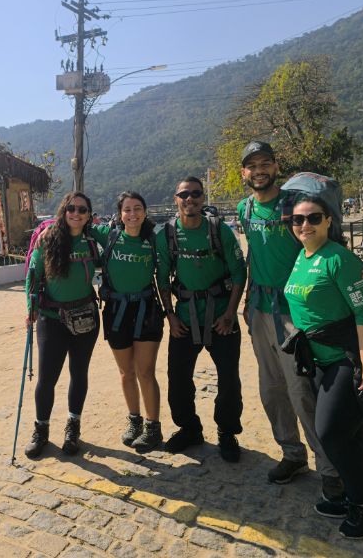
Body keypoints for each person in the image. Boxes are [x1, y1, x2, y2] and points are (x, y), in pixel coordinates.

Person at [237, 141, 363, 501]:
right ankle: (292, 453)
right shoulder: (245, 209)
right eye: (252, 165)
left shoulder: (295, 207)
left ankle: (329, 468)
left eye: (265, 163)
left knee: (301, 390)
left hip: (294, 312)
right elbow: (255, 255)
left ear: (275, 166)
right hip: (259, 308)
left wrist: (362, 270)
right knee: (271, 389)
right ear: (244, 173)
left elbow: (330, 244)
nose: (259, 170)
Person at [284, 196, 363, 539]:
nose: (304, 225)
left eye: (314, 218)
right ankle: (355, 497)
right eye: (298, 220)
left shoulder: (339, 259)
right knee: (352, 432)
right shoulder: (302, 255)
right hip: (318, 362)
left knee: (329, 432)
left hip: (347, 360)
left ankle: (362, 502)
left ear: (329, 220)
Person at [162, 177, 247, 462]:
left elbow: (239, 273)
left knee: (229, 380)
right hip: (185, 319)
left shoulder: (219, 230)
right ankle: (189, 429)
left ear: (202, 197)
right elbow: (161, 279)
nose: (190, 199)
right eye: (184, 194)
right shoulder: (168, 234)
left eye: (196, 194)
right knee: (178, 379)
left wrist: (230, 313)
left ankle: (227, 431)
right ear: (176, 199)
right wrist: (170, 316)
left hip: (221, 318)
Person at [23, 192, 100, 458]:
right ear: (63, 210)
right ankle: (41, 430)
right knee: (47, 379)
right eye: (71, 208)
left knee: (79, 373)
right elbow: (33, 275)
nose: (76, 213)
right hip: (52, 319)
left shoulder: (92, 241)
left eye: (82, 209)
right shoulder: (47, 239)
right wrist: (30, 308)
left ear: (89, 214)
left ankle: (72, 428)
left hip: (86, 317)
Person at [91, 191, 169, 452]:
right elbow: (74, 223)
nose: (133, 214)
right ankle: (134, 421)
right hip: (116, 311)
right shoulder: (109, 235)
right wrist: (45, 232)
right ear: (120, 213)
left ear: (145, 212)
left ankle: (153, 427)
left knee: (146, 372)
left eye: (137, 208)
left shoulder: (155, 239)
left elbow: (165, 274)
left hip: (147, 311)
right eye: (127, 209)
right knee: (126, 373)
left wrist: (171, 310)